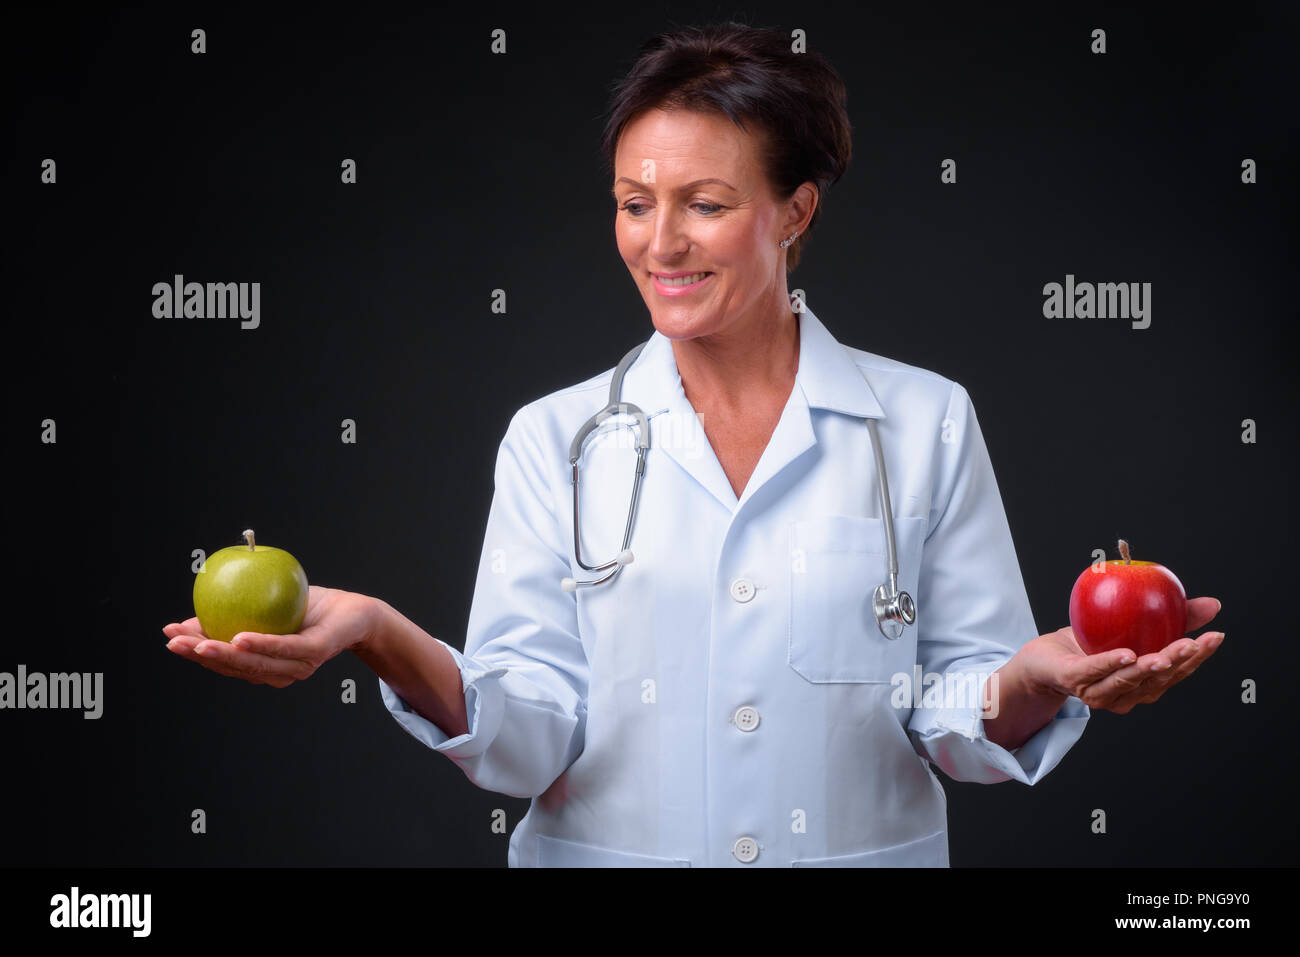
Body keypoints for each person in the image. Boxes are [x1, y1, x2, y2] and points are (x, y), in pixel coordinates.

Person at [163, 21, 1223, 866]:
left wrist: (1037, 677)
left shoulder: (922, 421)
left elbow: (953, 715)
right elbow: (529, 736)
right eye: (634, 203)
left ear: (792, 212)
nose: (658, 242)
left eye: (705, 204)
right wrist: (378, 631)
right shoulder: (556, 437)